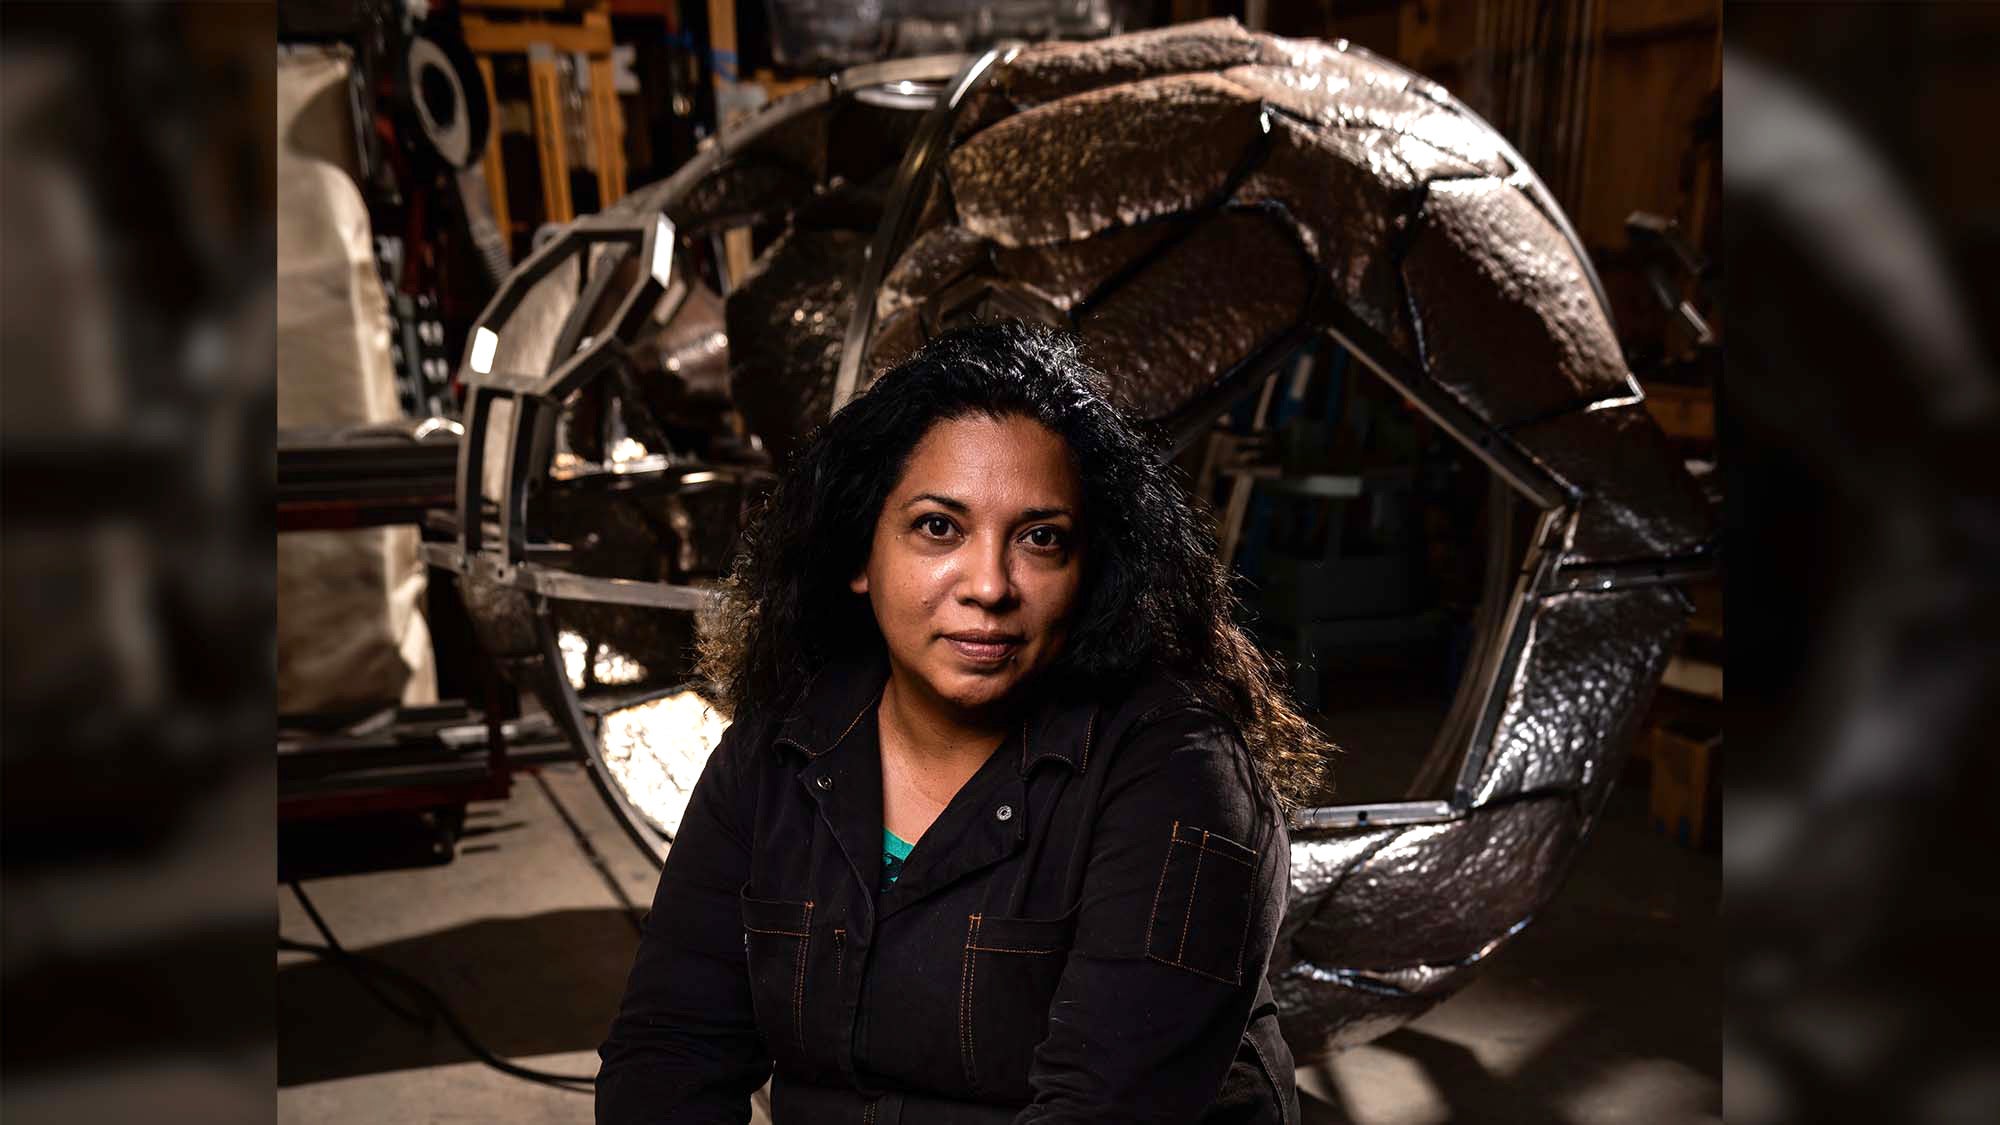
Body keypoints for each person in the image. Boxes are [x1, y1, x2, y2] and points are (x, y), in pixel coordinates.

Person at [596, 321, 1331, 1124]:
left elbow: (1103, 1113)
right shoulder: (779, 746)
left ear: (1090, 569)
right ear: (859, 553)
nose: (989, 584)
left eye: (1041, 538)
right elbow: (668, 1050)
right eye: (939, 527)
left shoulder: (1185, 776)